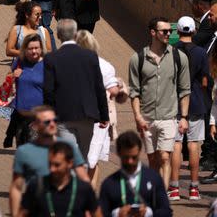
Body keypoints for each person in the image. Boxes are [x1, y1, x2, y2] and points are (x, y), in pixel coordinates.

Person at [128, 17, 191, 192]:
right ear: (153, 33)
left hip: (168, 117)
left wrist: (184, 117)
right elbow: (134, 92)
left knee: (164, 157)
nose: (168, 34)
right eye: (164, 31)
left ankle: (162, 200)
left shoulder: (180, 58)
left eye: (170, 31)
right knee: (153, 160)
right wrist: (138, 116)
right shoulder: (138, 59)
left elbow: (185, 90)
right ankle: (153, 194)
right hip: (147, 118)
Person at [45, 19, 110, 160]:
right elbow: (99, 87)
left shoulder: (52, 58)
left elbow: (48, 92)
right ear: (75, 35)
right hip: (87, 115)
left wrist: (49, 117)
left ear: (58, 35)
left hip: (63, 115)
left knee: (68, 157)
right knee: (82, 157)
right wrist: (104, 115)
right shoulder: (90, 56)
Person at [9, 106, 89, 217]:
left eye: (55, 120)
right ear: (35, 125)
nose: (52, 124)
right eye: (47, 122)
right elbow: (16, 187)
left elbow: (84, 179)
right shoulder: (24, 152)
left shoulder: (68, 147)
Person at [75, 30, 121, 188]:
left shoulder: (68, 63)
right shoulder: (105, 66)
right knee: (92, 162)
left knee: (78, 159)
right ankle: (89, 198)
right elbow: (114, 91)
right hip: (98, 120)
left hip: (75, 118)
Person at [98, 131, 172, 217]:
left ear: (140, 151)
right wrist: (117, 214)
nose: (130, 161)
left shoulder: (154, 178)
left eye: (134, 157)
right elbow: (101, 213)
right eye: (126, 157)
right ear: (118, 153)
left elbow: (166, 211)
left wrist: (147, 212)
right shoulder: (109, 183)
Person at [19, 142, 99, 217]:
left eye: (57, 165)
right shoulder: (37, 185)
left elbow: (97, 213)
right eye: (49, 164)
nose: (52, 169)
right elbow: (22, 213)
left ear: (70, 163)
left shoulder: (83, 189)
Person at [7, 34, 46, 148]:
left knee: (35, 156)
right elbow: (8, 80)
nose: (34, 51)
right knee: (23, 154)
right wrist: (13, 75)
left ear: (41, 48)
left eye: (36, 48)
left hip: (39, 121)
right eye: (30, 48)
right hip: (21, 119)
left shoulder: (47, 65)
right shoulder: (20, 62)